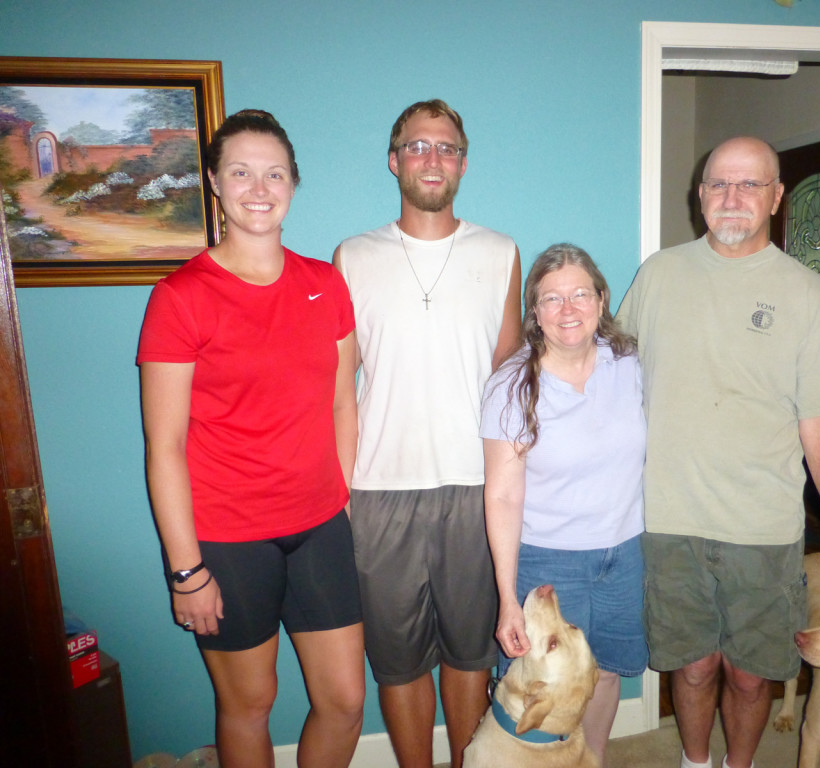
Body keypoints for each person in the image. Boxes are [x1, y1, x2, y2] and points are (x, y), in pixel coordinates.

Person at [616, 136, 820, 768]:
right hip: (669, 521)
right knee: (695, 667)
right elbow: (612, 379)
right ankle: (695, 762)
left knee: (752, 675)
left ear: (777, 196)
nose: (731, 198)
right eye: (718, 185)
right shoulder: (658, 274)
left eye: (749, 185)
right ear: (699, 195)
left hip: (763, 528)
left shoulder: (805, 292)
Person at [138, 109, 364, 768]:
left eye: (273, 173)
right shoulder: (180, 299)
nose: (258, 188)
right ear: (214, 181)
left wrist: (341, 493)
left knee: (347, 699)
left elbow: (344, 402)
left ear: (293, 184)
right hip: (228, 537)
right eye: (240, 171)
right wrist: (186, 571)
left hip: (320, 524)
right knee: (250, 703)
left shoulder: (325, 285)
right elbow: (165, 448)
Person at [333, 99, 522, 768]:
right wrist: (343, 495)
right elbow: (340, 392)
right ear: (395, 161)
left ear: (463, 164)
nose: (432, 159)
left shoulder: (500, 253)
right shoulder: (352, 256)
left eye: (446, 148)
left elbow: (508, 381)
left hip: (473, 491)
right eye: (418, 146)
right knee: (398, 661)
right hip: (379, 492)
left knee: (470, 653)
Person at [481, 243, 648, 765]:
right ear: (535, 312)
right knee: (541, 685)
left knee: (604, 673)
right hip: (549, 562)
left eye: (580, 294)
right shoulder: (512, 386)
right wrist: (509, 597)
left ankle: (590, 758)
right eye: (552, 299)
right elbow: (503, 495)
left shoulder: (631, 366)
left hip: (623, 553)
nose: (568, 309)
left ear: (602, 300)